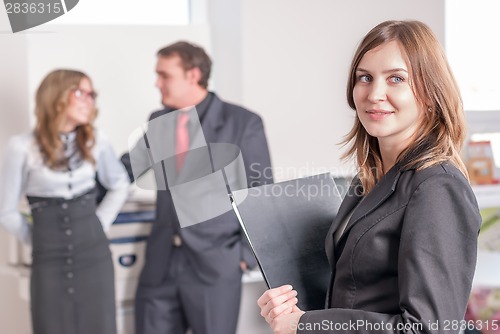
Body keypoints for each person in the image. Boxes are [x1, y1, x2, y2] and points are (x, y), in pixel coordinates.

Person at [257, 20, 481, 334]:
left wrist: (309, 325)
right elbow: (356, 292)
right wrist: (291, 311)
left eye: (396, 79)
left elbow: (432, 329)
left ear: (431, 93)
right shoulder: (369, 180)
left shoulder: (437, 187)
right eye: (365, 77)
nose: (375, 94)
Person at [121, 41, 273, 334]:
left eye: (164, 75)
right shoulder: (159, 120)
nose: (157, 83)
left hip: (214, 266)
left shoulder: (243, 123)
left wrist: (244, 256)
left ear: (192, 75)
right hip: (160, 262)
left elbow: (261, 193)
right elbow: (127, 167)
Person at [0, 69, 130, 334]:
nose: (89, 101)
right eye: (81, 92)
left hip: (94, 257)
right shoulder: (21, 147)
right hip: (49, 260)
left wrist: (99, 223)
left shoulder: (96, 141)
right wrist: (36, 238)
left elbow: (120, 185)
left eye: (92, 94)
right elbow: (5, 210)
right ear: (56, 96)